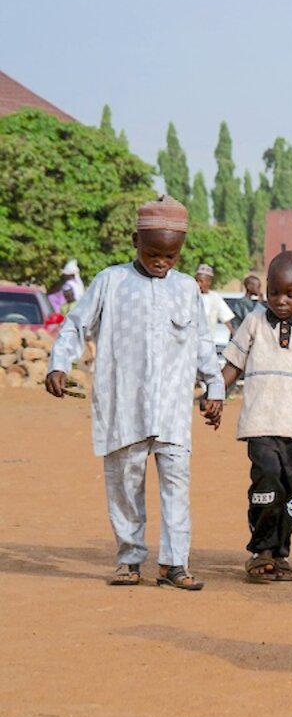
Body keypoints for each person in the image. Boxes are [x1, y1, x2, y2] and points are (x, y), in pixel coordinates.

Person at [45, 194, 224, 590]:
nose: (162, 262)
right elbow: (76, 325)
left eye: (171, 256)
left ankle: (174, 564)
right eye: (153, 253)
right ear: (135, 242)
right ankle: (129, 558)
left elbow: (201, 344)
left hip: (173, 411)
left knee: (177, 485)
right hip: (123, 406)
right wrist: (59, 363)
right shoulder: (111, 282)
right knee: (125, 485)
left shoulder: (187, 290)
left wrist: (215, 387)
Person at [219, 251, 292, 583]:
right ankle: (260, 551)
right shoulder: (254, 321)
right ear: (265, 288)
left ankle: (281, 553)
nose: (281, 301)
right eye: (274, 292)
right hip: (261, 422)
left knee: (291, 490)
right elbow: (233, 365)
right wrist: (214, 394)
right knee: (267, 480)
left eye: (291, 294)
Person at [195, 264, 235, 356]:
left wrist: (236, 337)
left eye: (201, 281)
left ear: (209, 282)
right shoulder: (190, 296)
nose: (198, 284)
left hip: (207, 345)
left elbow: (227, 319)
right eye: (196, 281)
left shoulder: (215, 297)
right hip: (190, 345)